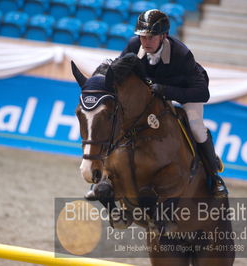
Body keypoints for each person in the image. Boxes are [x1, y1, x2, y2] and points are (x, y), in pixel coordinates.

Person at [85, 9, 227, 200]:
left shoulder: (181, 54)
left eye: (151, 37)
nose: (146, 42)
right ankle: (104, 178)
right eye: (143, 36)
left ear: (164, 35)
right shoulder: (134, 45)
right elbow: (116, 74)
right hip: (153, 90)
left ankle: (214, 176)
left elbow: (203, 93)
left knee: (196, 127)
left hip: (184, 90)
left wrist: (166, 91)